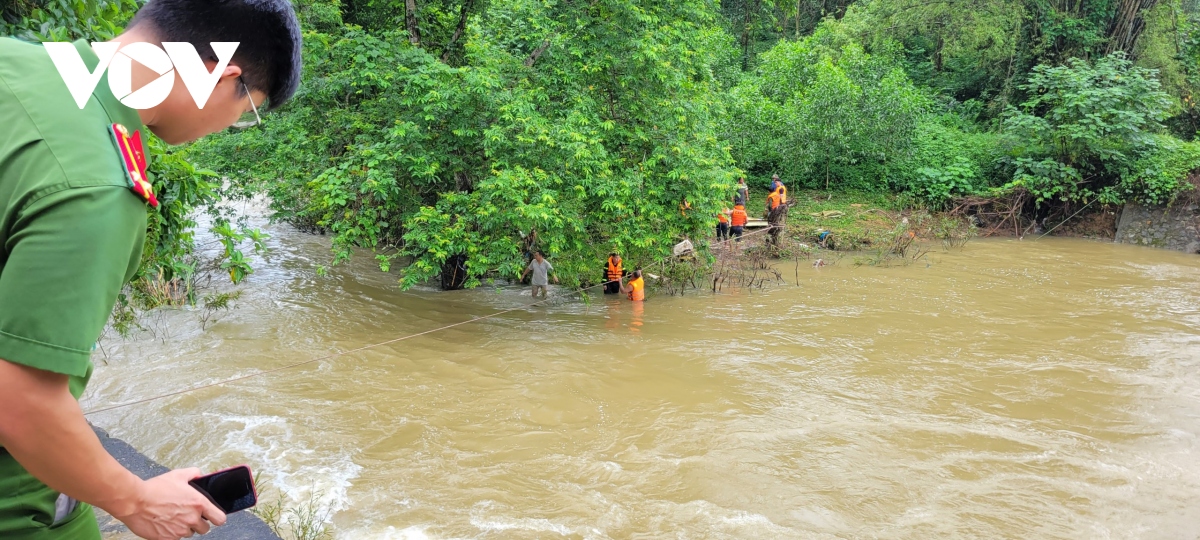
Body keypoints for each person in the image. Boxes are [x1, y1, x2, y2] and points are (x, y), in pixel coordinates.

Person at [0, 1, 303, 539]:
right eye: (247, 111)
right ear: (221, 75)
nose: (231, 126)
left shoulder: (15, 63)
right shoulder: (95, 185)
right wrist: (136, 499)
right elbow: (18, 399)